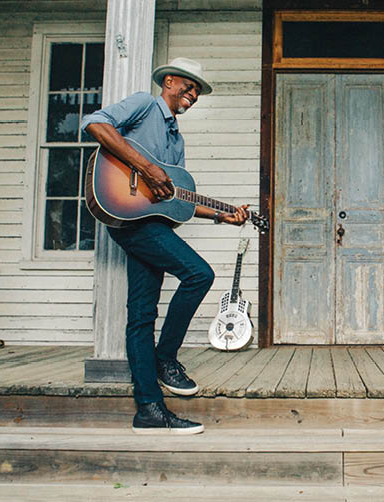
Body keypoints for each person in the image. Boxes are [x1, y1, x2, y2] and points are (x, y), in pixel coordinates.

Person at [82, 58, 248, 434]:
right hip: (128, 220)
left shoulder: (176, 139)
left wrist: (224, 215)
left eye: (197, 92)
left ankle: (149, 410)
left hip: (150, 221)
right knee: (198, 273)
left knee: (141, 315)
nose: (191, 95)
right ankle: (165, 359)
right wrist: (147, 168)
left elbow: (176, 199)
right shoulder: (143, 104)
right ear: (169, 81)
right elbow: (94, 122)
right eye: (187, 86)